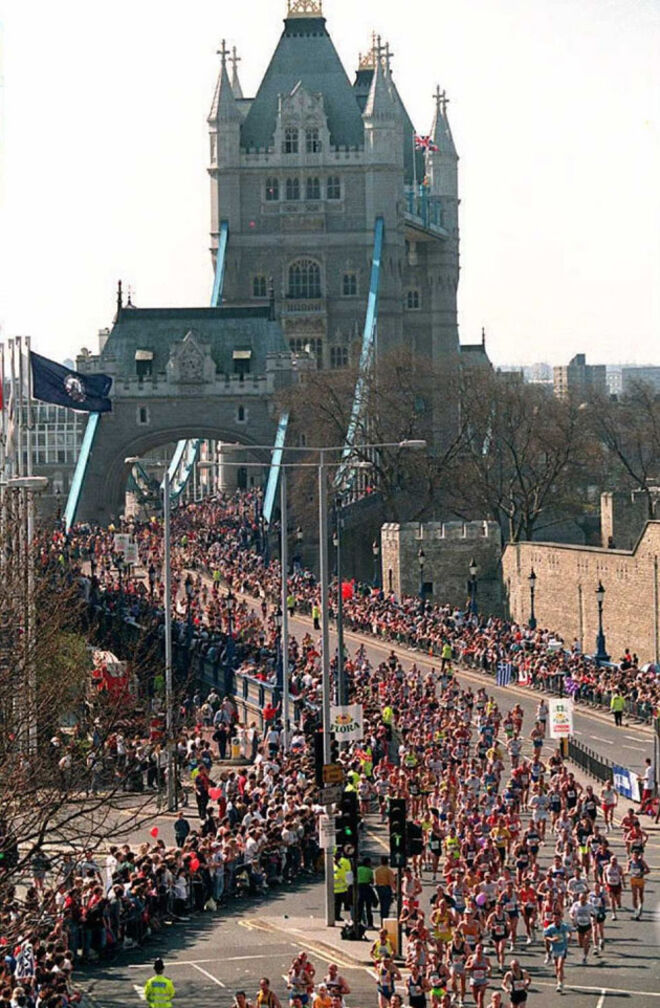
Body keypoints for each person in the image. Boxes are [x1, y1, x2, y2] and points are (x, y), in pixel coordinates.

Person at [543, 911, 571, 993]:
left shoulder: (564, 926)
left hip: (563, 948)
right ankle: (559, 979)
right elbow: (545, 937)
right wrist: (551, 939)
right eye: (554, 919)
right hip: (555, 949)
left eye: (557, 918)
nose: (556, 920)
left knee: (560, 967)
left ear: (560, 918)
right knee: (556, 967)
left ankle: (560, 984)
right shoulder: (550, 928)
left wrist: (569, 937)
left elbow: (569, 931)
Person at [374, 856, 396, 923]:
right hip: (386, 888)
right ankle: (385, 920)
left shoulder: (377, 870)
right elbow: (391, 882)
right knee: (386, 906)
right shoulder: (389, 871)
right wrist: (395, 890)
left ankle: (382, 920)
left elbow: (375, 880)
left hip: (379, 888)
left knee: (382, 905)